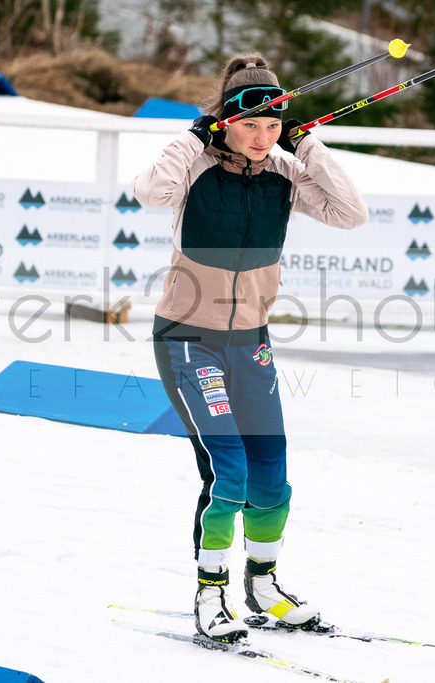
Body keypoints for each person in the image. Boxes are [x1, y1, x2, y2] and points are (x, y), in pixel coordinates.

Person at [133, 53, 368, 643]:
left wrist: (310, 148)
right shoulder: (196, 165)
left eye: (273, 126)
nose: (263, 138)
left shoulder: (286, 173)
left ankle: (263, 587)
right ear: (226, 123)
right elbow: (149, 192)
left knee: (271, 475)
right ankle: (209, 595)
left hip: (250, 344)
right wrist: (192, 137)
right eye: (250, 125)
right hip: (188, 339)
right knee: (228, 472)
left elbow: (350, 214)